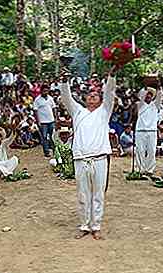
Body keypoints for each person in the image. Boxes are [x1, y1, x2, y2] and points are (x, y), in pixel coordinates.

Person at [59, 66, 118, 240]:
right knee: (83, 194)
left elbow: (110, 93)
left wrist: (111, 76)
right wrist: (64, 81)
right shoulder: (78, 112)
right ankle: (84, 225)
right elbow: (66, 97)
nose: (92, 95)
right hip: (81, 159)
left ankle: (96, 226)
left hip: (100, 159)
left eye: (96, 94)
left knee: (98, 194)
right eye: (89, 94)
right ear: (85, 99)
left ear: (100, 99)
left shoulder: (104, 111)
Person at [135, 83, 163, 175]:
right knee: (140, 150)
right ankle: (140, 169)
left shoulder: (155, 105)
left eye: (150, 96)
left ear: (152, 97)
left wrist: (158, 86)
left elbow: (159, 96)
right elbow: (141, 94)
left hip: (152, 131)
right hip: (140, 131)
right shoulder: (140, 105)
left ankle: (149, 169)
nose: (148, 97)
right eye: (146, 96)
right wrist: (146, 84)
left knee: (152, 150)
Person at [33, 84, 57, 157]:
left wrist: (55, 117)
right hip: (43, 122)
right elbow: (35, 111)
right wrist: (38, 121)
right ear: (41, 91)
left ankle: (55, 151)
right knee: (44, 137)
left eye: (47, 90)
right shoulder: (37, 100)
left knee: (53, 136)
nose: (45, 92)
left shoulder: (50, 98)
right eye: (44, 91)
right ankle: (46, 152)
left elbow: (53, 108)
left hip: (51, 120)